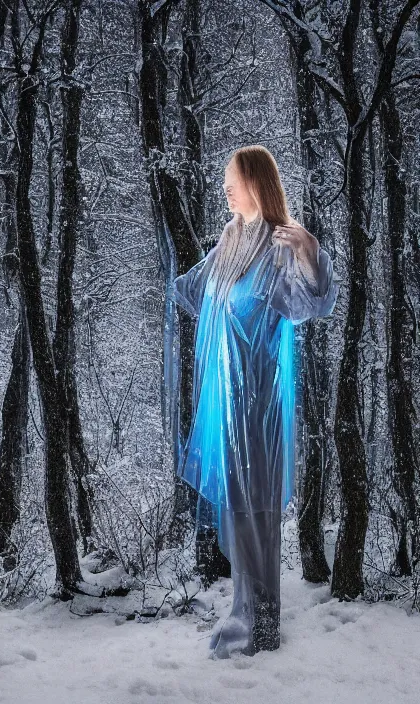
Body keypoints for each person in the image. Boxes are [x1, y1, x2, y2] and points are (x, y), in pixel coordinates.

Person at [167, 145, 340, 658]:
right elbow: (191, 290)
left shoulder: (279, 247)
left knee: (256, 515)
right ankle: (245, 618)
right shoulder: (230, 244)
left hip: (260, 410)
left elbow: (314, 301)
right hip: (228, 408)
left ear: (256, 183)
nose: (224, 185)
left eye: (231, 178)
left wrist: (311, 253)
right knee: (239, 514)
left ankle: (260, 630)